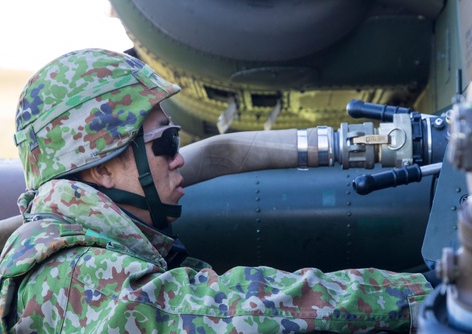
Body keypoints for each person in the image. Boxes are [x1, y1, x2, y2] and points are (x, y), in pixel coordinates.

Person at [0, 49, 433, 333]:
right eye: (164, 143)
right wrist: (421, 293)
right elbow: (230, 312)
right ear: (104, 169)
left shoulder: (87, 255)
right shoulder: (74, 278)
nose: (179, 158)